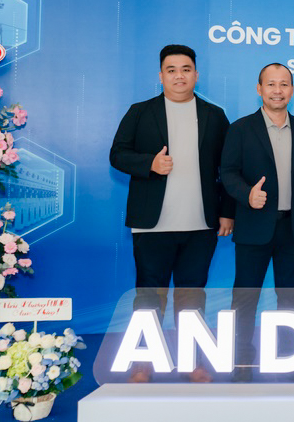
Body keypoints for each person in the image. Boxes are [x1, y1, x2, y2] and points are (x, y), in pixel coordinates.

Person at [109, 44, 233, 383]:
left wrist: (227, 212)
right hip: (153, 224)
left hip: (200, 224)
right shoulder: (140, 112)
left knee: (192, 297)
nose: (179, 76)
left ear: (196, 74)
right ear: (161, 75)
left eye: (186, 69)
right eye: (172, 70)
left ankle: (192, 363)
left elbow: (228, 168)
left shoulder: (215, 115)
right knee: (149, 296)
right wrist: (149, 163)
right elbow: (117, 154)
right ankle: (142, 363)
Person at [220, 63, 294, 382]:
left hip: (293, 228)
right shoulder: (240, 129)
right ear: (259, 89)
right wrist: (246, 194)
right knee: (245, 296)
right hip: (253, 226)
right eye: (271, 84)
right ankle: (241, 359)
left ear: (292, 90)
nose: (278, 90)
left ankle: (290, 359)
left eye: (284, 84)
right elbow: (227, 173)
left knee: (291, 298)